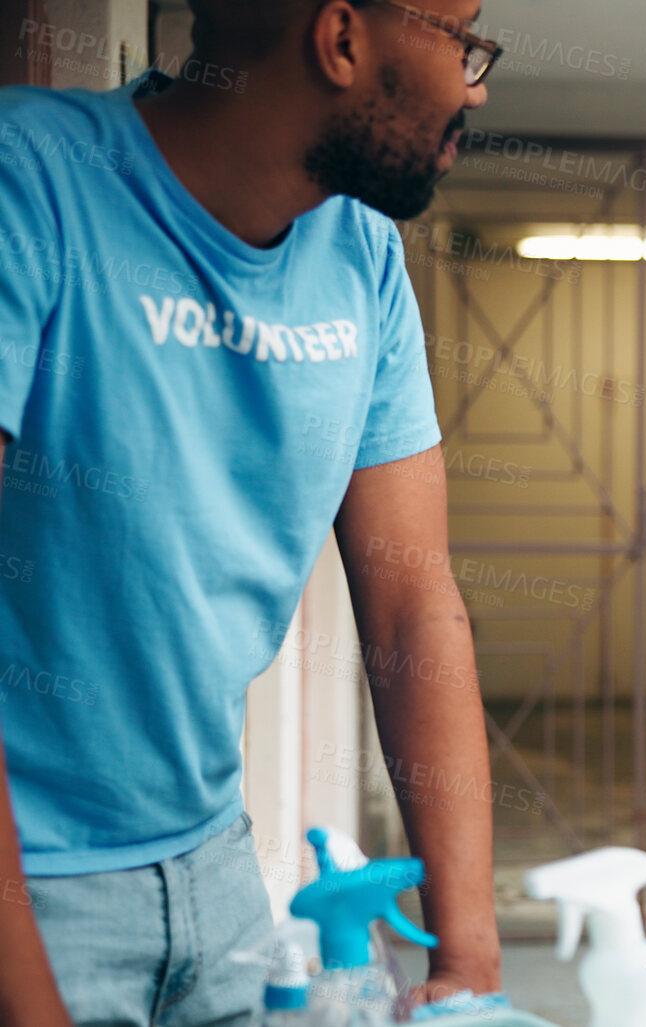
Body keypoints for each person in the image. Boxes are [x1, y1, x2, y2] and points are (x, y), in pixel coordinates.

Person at [0, 1, 507, 1023]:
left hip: (218, 870)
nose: (477, 84)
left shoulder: (361, 255)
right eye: (463, 39)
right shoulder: (32, 181)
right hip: (33, 890)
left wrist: (468, 954)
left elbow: (413, 604)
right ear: (343, 40)